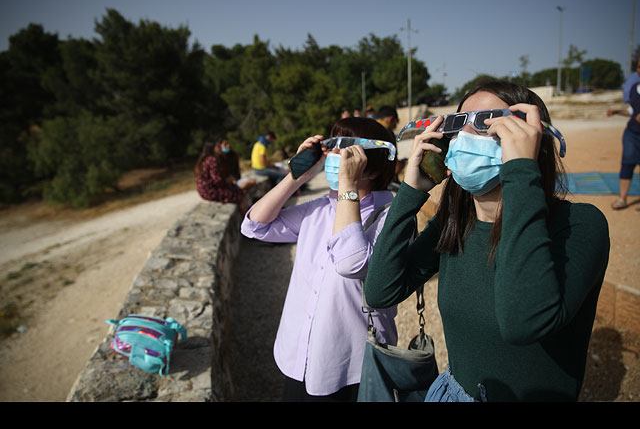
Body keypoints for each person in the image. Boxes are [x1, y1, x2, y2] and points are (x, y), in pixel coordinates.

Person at [364, 81, 610, 402]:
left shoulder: (580, 224)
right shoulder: (453, 223)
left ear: (530, 136)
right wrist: (411, 191)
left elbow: (522, 323)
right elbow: (381, 291)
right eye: (459, 124)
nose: (465, 137)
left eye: (486, 122)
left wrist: (521, 170)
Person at [240, 117, 399, 402]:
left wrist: (347, 185)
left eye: (347, 148)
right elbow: (255, 226)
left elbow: (352, 263)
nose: (336, 155)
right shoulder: (320, 210)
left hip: (352, 367)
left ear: (372, 166)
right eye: (332, 145)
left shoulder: (392, 219)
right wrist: (297, 174)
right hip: (299, 357)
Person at [607, 61, 640, 210]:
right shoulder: (634, 88)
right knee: (627, 163)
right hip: (632, 132)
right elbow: (632, 111)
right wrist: (616, 112)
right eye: (639, 66)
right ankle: (622, 199)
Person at [195, 137, 254, 211]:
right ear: (213, 148)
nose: (220, 147)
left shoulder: (206, 159)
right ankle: (246, 215)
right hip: (210, 190)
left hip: (204, 190)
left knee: (238, 191)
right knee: (239, 195)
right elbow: (217, 180)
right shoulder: (212, 160)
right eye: (218, 146)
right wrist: (228, 180)